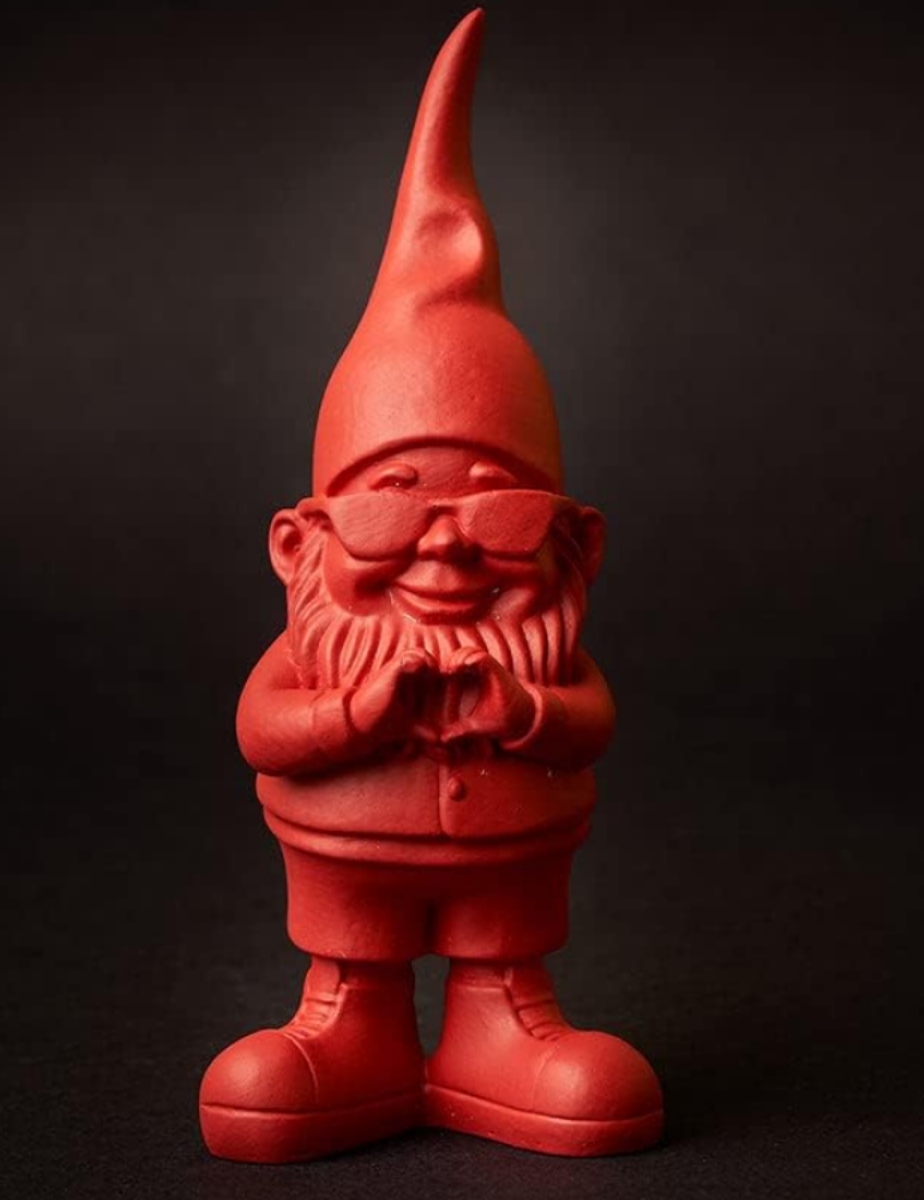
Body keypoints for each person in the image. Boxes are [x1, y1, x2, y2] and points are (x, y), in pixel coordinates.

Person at [199, 9, 662, 1161]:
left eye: (498, 513)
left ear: (577, 544)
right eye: (391, 508)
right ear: (299, 544)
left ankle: (502, 1025)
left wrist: (526, 708)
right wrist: (356, 713)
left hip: (511, 867)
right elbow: (263, 730)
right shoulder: (319, 649)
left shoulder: (542, 651)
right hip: (345, 865)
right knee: (346, 970)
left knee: (507, 959)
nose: (444, 554)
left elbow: (591, 722)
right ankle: (346, 1024)